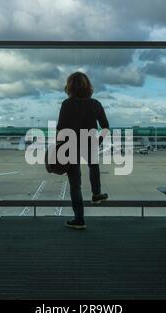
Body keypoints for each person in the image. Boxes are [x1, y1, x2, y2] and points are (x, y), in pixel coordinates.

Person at [57, 72, 110, 230]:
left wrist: (59, 147)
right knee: (93, 166)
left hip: (70, 144)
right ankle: (96, 193)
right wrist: (98, 140)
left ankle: (79, 219)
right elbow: (106, 126)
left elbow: (60, 128)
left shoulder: (67, 104)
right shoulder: (95, 103)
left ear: (70, 87)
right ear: (88, 86)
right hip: (89, 142)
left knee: (75, 185)